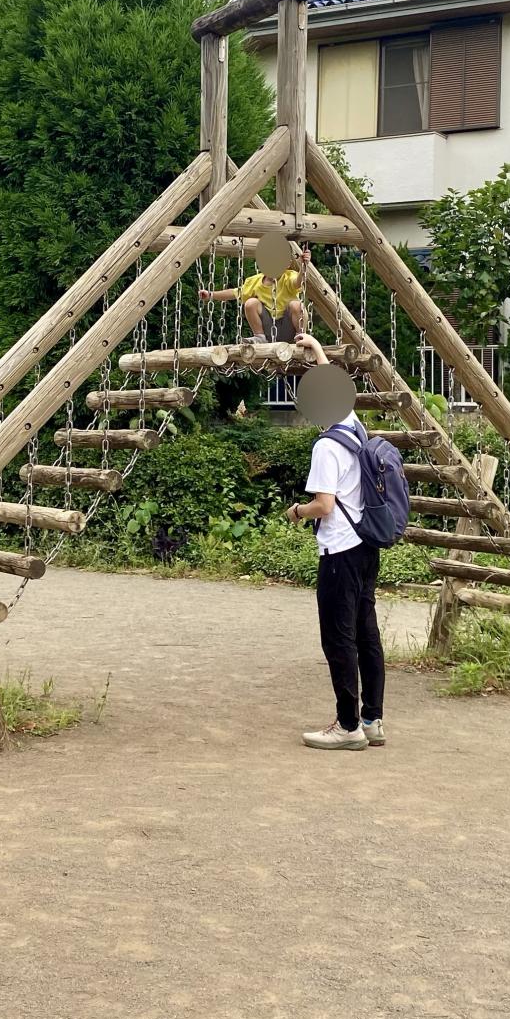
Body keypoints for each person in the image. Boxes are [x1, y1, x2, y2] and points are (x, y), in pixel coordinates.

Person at [285, 375, 385, 752]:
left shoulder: (327, 446)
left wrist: (298, 511)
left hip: (338, 553)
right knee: (366, 632)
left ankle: (347, 726)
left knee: (338, 638)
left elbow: (324, 506)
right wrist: (315, 351)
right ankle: (372, 720)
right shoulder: (355, 429)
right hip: (365, 547)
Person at [197, 243, 310, 343]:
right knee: (251, 303)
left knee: (296, 305)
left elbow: (298, 283)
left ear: (287, 264)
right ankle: (260, 337)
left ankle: (301, 336)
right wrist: (211, 294)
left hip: (288, 328)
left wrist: (303, 267)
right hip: (269, 330)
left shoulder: (289, 277)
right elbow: (234, 293)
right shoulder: (254, 281)